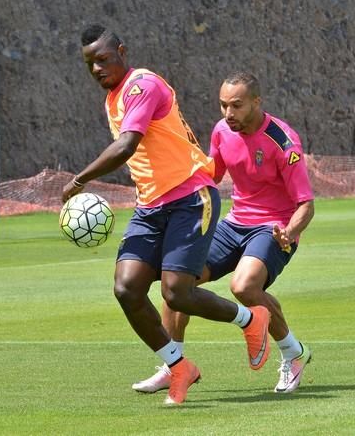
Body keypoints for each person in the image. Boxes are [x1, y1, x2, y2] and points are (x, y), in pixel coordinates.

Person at [62, 25, 271, 405]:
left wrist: (79, 180)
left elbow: (127, 146)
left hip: (191, 197)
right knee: (127, 288)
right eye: (90, 63)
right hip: (151, 206)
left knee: (176, 293)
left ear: (122, 51)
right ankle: (178, 367)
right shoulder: (112, 100)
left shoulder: (143, 85)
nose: (97, 68)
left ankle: (250, 319)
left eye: (104, 58)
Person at [133, 71, 315, 394]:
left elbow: (306, 205)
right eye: (222, 106)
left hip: (272, 228)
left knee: (244, 287)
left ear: (257, 102)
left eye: (236, 105)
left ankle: (293, 353)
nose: (228, 114)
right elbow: (210, 177)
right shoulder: (221, 131)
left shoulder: (284, 142)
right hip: (233, 224)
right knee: (178, 280)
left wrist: (289, 231)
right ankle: (173, 365)